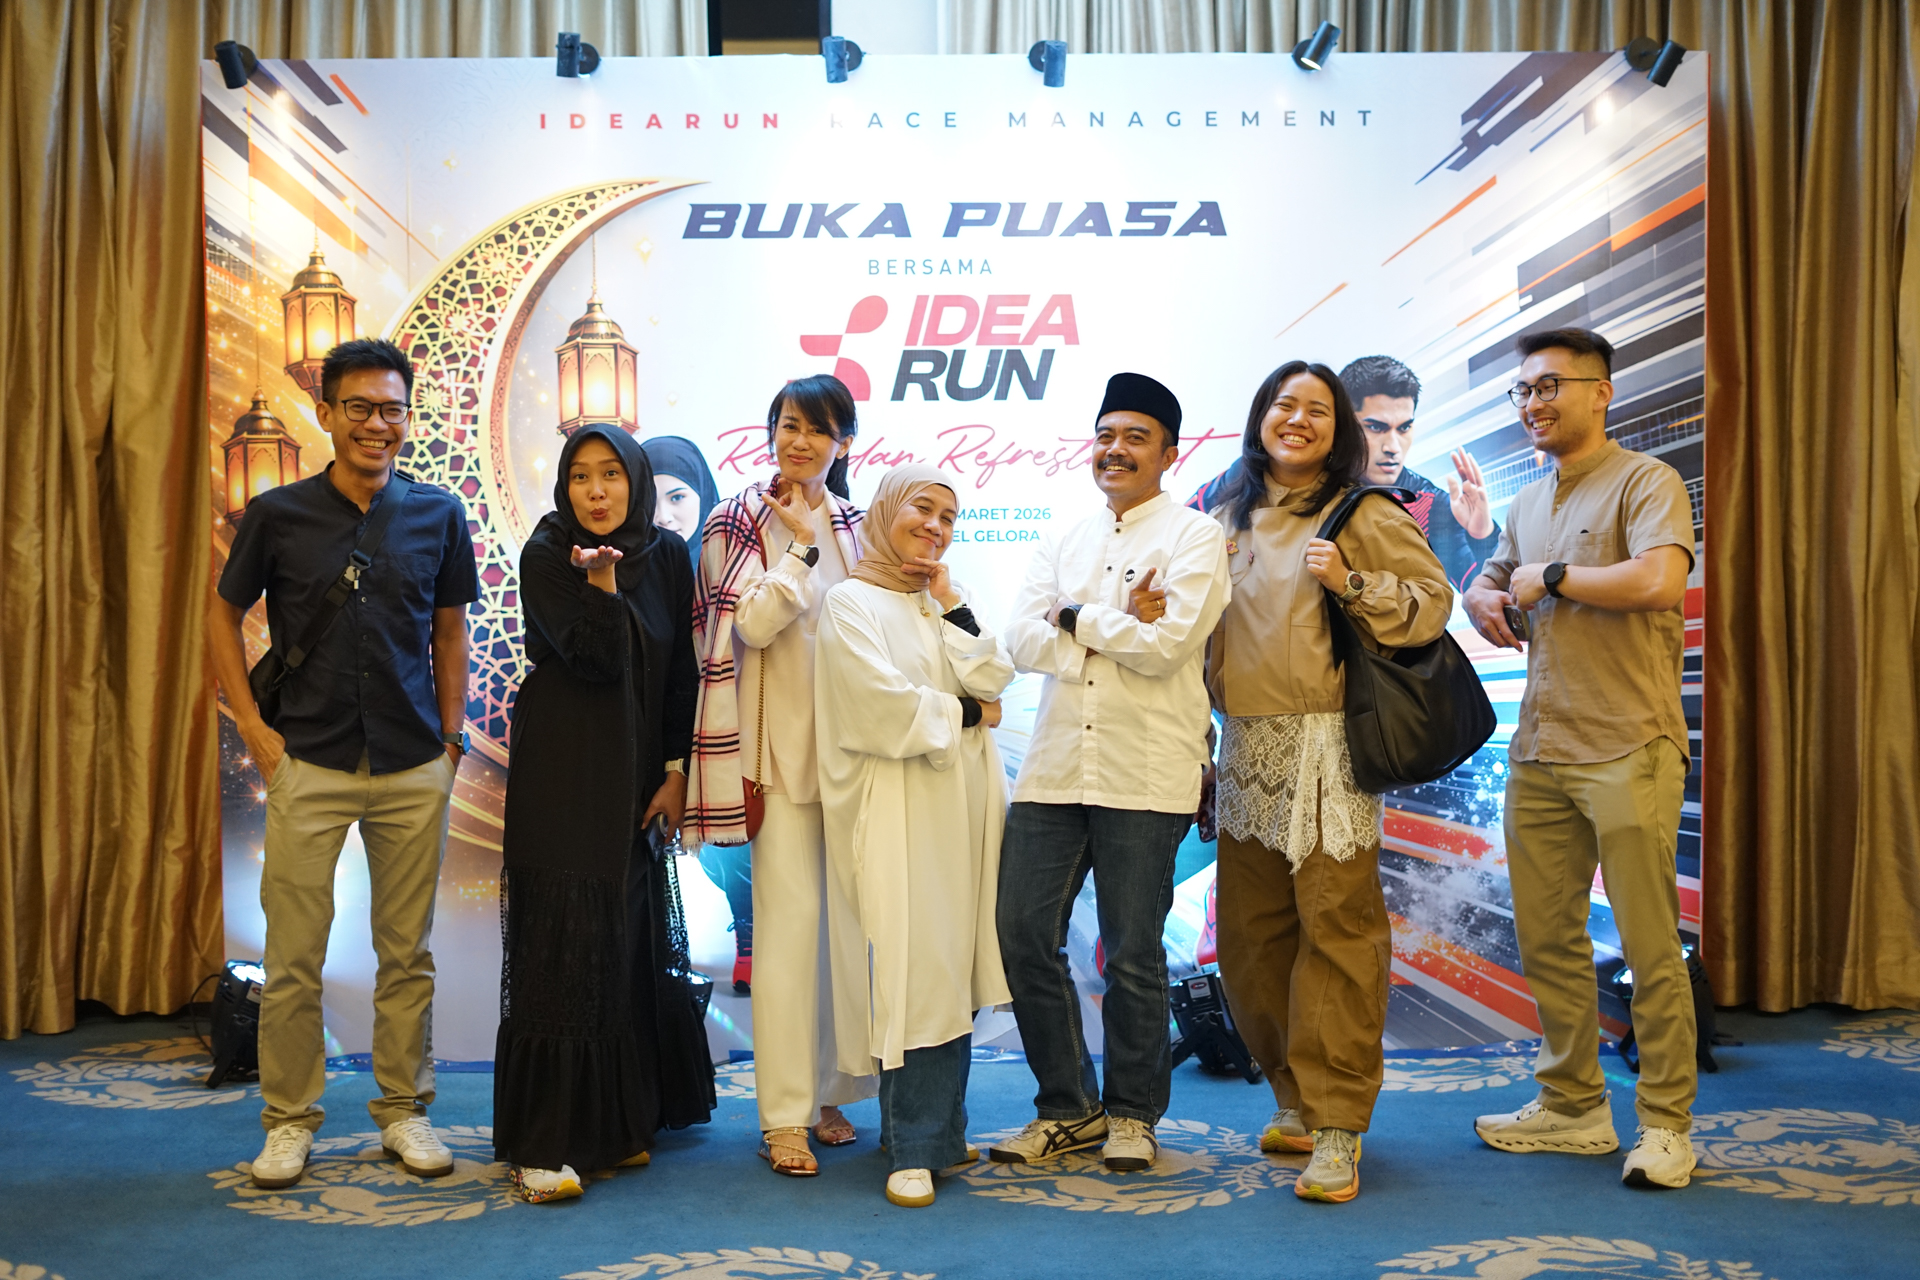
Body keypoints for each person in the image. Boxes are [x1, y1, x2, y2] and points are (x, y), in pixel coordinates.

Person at [206, 337, 479, 1191]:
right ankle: (289, 1121)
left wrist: (451, 738)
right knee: (294, 956)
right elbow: (221, 616)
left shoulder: (438, 514)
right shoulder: (278, 514)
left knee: (408, 953)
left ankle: (404, 1110)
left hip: (412, 761)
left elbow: (449, 631)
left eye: (392, 409)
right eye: (358, 407)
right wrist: (254, 729)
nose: (376, 424)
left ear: (407, 417)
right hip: (310, 760)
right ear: (325, 414)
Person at [1202, 360, 1452, 1203]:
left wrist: (1350, 581)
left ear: (1338, 429)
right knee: (1251, 940)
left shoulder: (1364, 510)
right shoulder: (1224, 513)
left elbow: (1432, 602)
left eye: (1318, 409)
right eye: (1285, 404)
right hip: (1244, 745)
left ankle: (1340, 1122)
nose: (1299, 419)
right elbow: (1198, 639)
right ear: (1260, 417)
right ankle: (1295, 1099)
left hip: (1326, 748)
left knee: (1338, 933)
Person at [1463, 328, 1698, 1190]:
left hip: (1629, 740)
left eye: (1550, 385)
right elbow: (1493, 578)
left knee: (1648, 943)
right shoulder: (1528, 501)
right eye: (1524, 390)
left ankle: (1666, 1123)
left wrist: (1554, 577)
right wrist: (1482, 595)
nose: (1534, 403)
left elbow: (1658, 583)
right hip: (1540, 745)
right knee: (1547, 938)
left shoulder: (1646, 481)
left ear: (1602, 392)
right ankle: (1573, 1105)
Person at [992, 373, 1229, 1173]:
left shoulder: (1196, 537)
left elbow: (1166, 649)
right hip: (1055, 769)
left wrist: (1073, 616)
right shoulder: (1064, 540)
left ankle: (1133, 1113)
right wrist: (1111, 625)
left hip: (1146, 769)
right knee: (1023, 935)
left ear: (1169, 452)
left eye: (1134, 437)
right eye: (1105, 435)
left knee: (1131, 953)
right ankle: (1069, 1107)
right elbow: (1019, 642)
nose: (1115, 449)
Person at [492, 425, 714, 1202]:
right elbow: (594, 655)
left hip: (638, 778)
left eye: (611, 474)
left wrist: (676, 772)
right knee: (565, 944)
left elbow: (680, 672)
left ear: (636, 482)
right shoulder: (548, 553)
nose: (595, 491)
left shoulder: (668, 555)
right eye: (581, 476)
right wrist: (602, 581)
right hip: (565, 774)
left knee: (624, 944)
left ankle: (614, 1126)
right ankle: (542, 1142)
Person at [685, 375, 877, 1176]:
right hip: (777, 762)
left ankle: (830, 1094)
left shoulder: (863, 526)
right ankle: (784, 1116)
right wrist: (797, 548)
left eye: (818, 429)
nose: (800, 442)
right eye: (789, 425)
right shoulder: (735, 520)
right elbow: (746, 631)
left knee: (847, 942)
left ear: (844, 443)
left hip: (856, 763)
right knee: (790, 940)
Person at [814, 464, 1016, 1208]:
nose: (935, 526)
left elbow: (993, 678)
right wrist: (966, 715)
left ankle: (939, 1135)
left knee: (952, 964)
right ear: (886, 512)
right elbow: (880, 706)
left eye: (949, 517)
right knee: (915, 968)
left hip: (961, 810)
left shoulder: (937, 602)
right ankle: (911, 1146)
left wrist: (952, 602)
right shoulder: (850, 601)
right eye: (922, 509)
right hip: (896, 811)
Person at [1187, 355, 1498, 590]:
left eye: (1404, 428)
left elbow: (1473, 597)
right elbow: (1179, 533)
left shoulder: (1428, 502)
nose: (1393, 447)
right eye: (1375, 427)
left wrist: (1482, 535)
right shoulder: (1259, 473)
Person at [643, 434, 753, 994]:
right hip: (650, 727)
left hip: (718, 726)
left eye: (678, 497)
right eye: (651, 499)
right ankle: (658, 950)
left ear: (703, 496)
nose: (664, 515)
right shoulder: (628, 564)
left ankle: (750, 935)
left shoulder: (727, 563)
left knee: (727, 848)